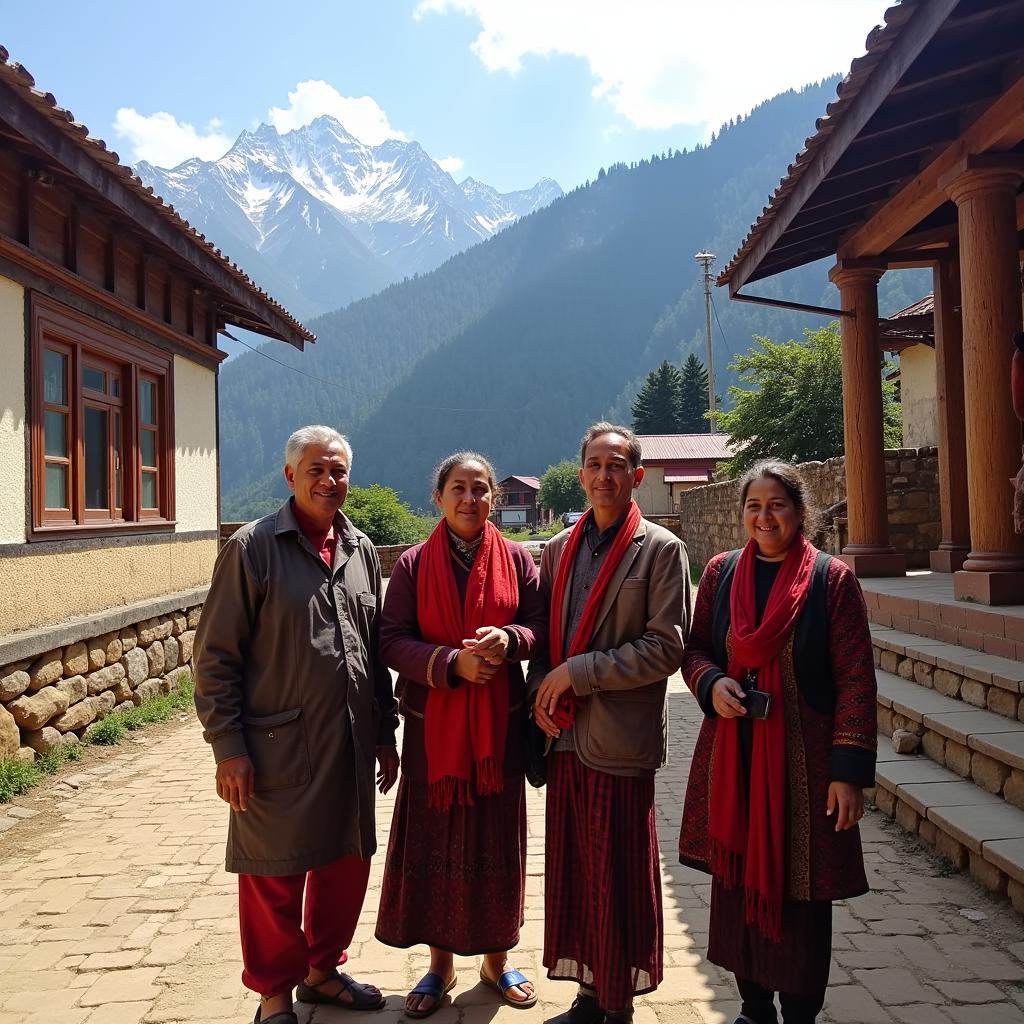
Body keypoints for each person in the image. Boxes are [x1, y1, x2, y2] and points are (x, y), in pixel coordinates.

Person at [194, 425, 399, 1024]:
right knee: (273, 875)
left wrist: (385, 734)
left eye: (338, 471)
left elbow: (372, 651)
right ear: (290, 476)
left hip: (352, 744)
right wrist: (227, 748)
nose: (329, 482)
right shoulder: (254, 549)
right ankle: (274, 997)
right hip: (275, 747)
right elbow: (215, 658)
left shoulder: (360, 551)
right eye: (317, 470)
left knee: (344, 862)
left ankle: (321, 971)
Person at [678, 460, 877, 1024]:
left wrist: (849, 771)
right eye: (754, 506)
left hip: (806, 769)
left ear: (800, 512)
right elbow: (695, 651)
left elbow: (856, 678)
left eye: (777, 505)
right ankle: (753, 1007)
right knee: (738, 881)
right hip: (734, 759)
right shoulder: (720, 573)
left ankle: (800, 1012)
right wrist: (712, 683)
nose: (764, 517)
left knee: (802, 894)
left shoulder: (830, 580)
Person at [375, 452, 548, 1019]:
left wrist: (509, 638)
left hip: (498, 732)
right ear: (438, 497)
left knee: (498, 845)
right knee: (437, 843)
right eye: (458, 488)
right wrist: (450, 662)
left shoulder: (520, 561)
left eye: (480, 489)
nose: (469, 499)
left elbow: (542, 627)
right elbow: (392, 639)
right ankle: (439, 965)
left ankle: (497, 962)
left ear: (494, 498)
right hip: (433, 735)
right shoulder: (412, 564)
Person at [530, 422, 691, 1024]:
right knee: (578, 872)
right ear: (581, 475)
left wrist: (579, 672)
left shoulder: (659, 550)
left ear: (637, 477)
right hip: (566, 737)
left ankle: (618, 1005)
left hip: (620, 739)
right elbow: (546, 639)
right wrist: (540, 696)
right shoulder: (558, 550)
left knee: (618, 872)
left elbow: (666, 648)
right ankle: (590, 995)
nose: (605, 475)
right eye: (594, 465)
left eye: (617, 465)